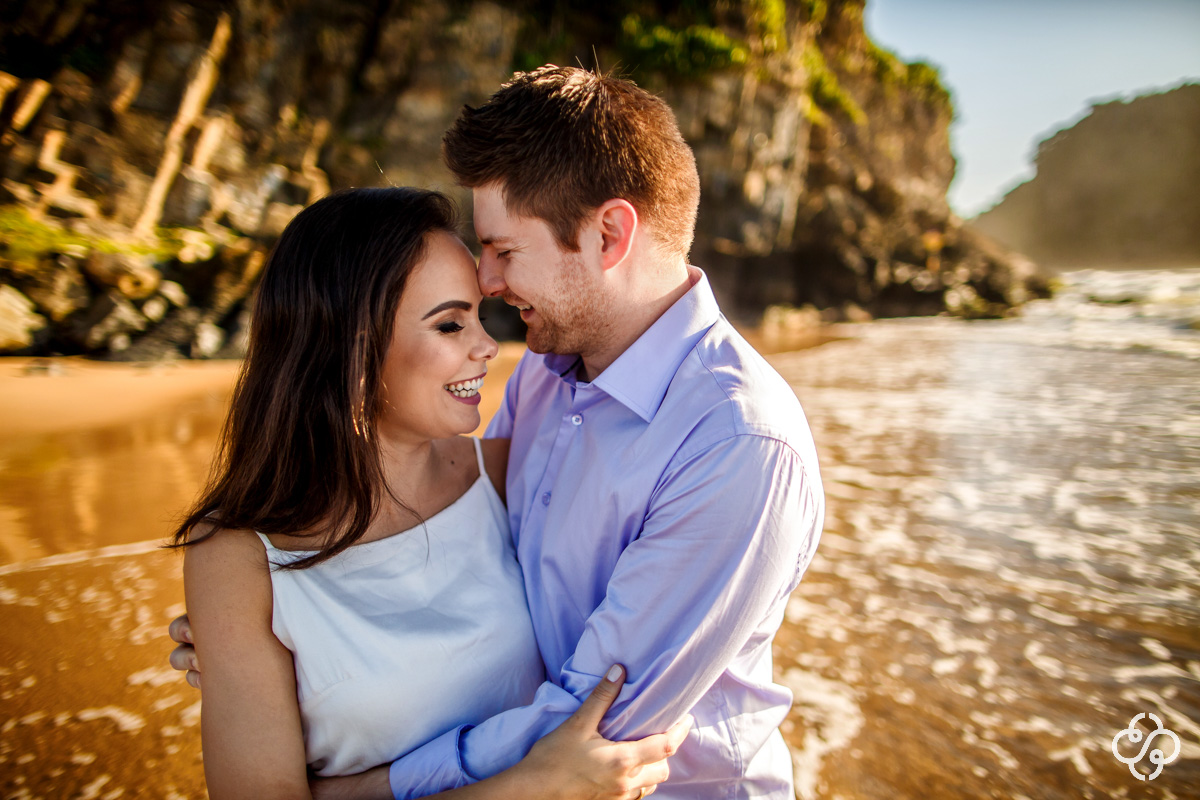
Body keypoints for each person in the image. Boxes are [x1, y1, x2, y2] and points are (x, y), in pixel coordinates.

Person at [173, 65, 824, 799]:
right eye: (456, 309)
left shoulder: (737, 445)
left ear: (610, 234)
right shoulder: (548, 374)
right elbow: (436, 556)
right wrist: (261, 643)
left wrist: (355, 792)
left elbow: (594, 728)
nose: (488, 283)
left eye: (504, 250)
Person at [170, 186, 688, 800]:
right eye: (449, 323)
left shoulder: (507, 476)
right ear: (351, 350)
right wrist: (529, 788)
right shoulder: (237, 557)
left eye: (478, 315)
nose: (488, 346)